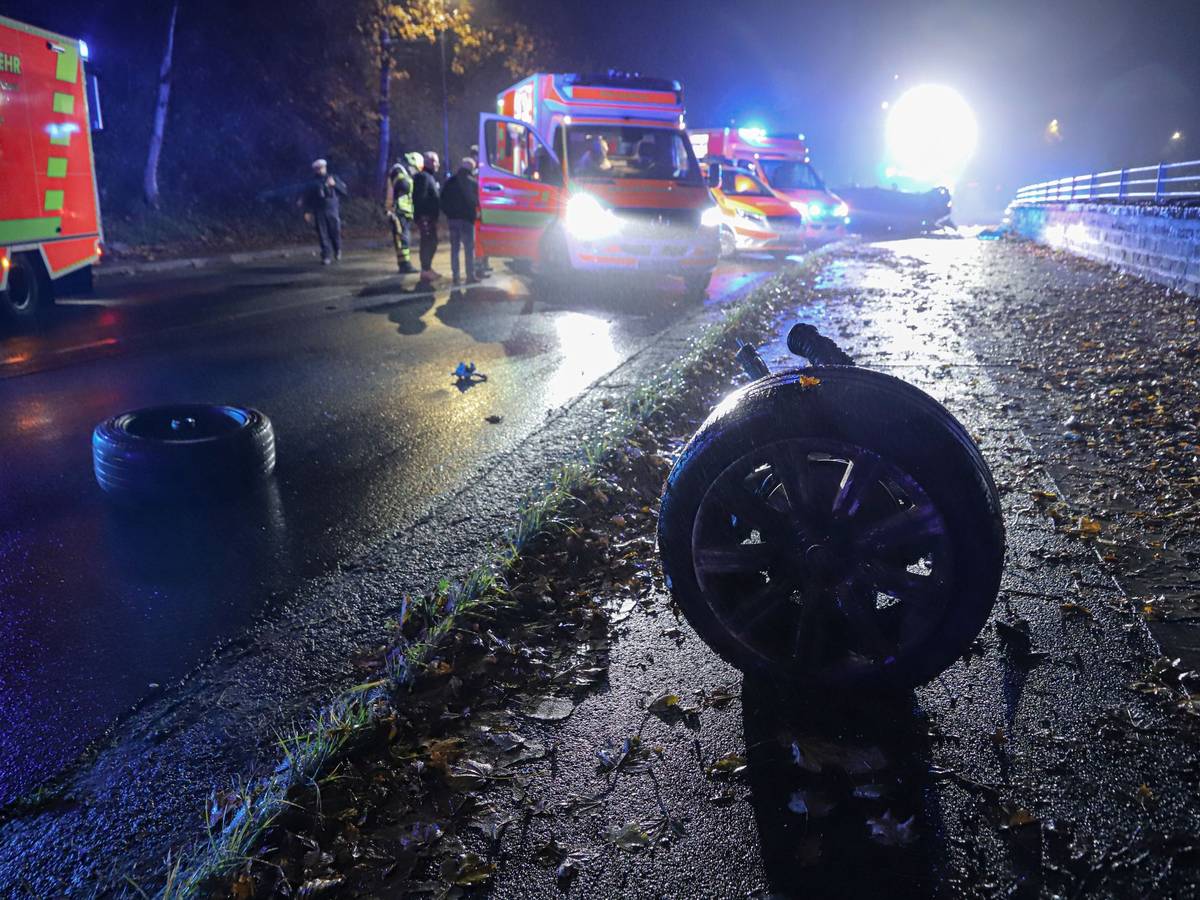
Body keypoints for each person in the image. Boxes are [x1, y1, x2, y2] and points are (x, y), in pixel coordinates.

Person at [440, 157, 480, 285]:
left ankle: (456, 277)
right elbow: (477, 201)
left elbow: (442, 199)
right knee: (469, 249)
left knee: (455, 249)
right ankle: (470, 275)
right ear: (471, 168)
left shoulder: (450, 182)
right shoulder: (473, 182)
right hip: (467, 220)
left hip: (453, 220)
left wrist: (449, 214)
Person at [302, 159, 347, 265]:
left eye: (321, 168)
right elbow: (308, 197)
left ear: (325, 167)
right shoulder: (312, 182)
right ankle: (326, 255)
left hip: (332, 209)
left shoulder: (333, 178)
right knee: (322, 234)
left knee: (335, 232)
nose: (320, 170)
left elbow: (344, 192)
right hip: (319, 210)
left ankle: (337, 249)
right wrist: (307, 211)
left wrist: (334, 185)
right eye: (317, 168)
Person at [385, 152, 421, 274]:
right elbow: (403, 186)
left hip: (404, 212)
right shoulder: (398, 170)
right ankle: (404, 265)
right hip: (397, 211)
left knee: (404, 238)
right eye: (416, 169)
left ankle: (405, 263)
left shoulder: (405, 173)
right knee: (402, 238)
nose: (415, 172)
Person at [412, 151, 442, 282]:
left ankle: (427, 268)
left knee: (431, 242)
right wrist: (423, 217)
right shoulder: (423, 177)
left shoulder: (428, 177)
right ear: (430, 162)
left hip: (429, 217)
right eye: (436, 162)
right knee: (428, 242)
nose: (438, 165)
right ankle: (425, 270)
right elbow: (420, 198)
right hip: (426, 217)